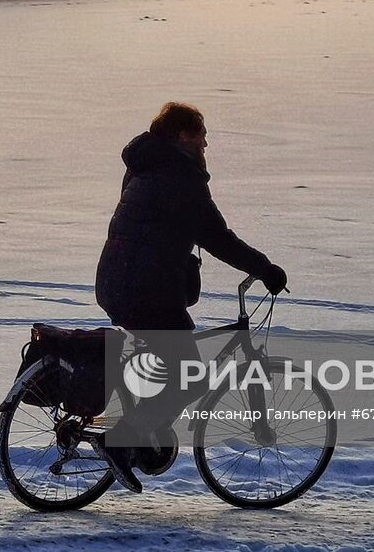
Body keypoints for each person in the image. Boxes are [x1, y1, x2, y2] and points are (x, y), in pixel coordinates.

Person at [94, 102, 287, 491]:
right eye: (201, 134)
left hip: (119, 279)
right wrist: (265, 269)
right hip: (144, 288)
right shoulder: (179, 176)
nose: (205, 143)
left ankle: (141, 431)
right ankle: (121, 440)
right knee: (188, 379)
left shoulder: (145, 163)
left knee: (167, 364)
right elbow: (215, 236)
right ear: (183, 136)